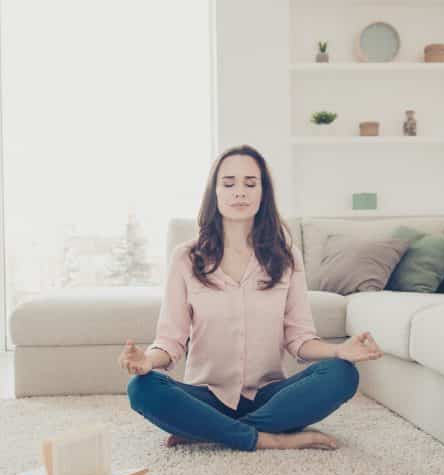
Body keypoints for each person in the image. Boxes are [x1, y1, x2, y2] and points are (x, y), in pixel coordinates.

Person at [120, 144, 383, 452]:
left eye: (250, 183)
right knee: (142, 389)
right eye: (229, 184)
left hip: (268, 396)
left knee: (341, 374)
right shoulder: (185, 258)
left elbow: (299, 340)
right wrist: (146, 362)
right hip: (206, 396)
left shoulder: (287, 258)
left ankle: (210, 431)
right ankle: (267, 438)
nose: (240, 192)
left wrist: (339, 351)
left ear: (263, 192)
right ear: (215, 193)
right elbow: (170, 341)